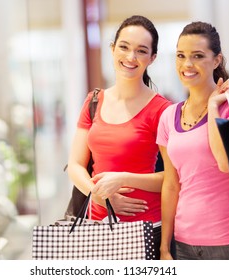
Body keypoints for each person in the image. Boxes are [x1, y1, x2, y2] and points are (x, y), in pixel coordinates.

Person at [67, 15, 172, 259]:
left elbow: (173, 178)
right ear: (113, 49)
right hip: (97, 225)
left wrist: (123, 179)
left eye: (141, 51)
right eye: (124, 47)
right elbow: (75, 165)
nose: (130, 57)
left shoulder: (162, 110)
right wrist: (98, 193)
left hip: (145, 228)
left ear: (152, 58)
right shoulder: (94, 100)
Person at [156, 21, 229, 260]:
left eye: (198, 56)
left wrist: (213, 107)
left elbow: (225, 162)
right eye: (181, 56)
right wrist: (164, 246)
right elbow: (171, 184)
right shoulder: (169, 116)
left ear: (217, 60)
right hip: (183, 243)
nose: (187, 64)